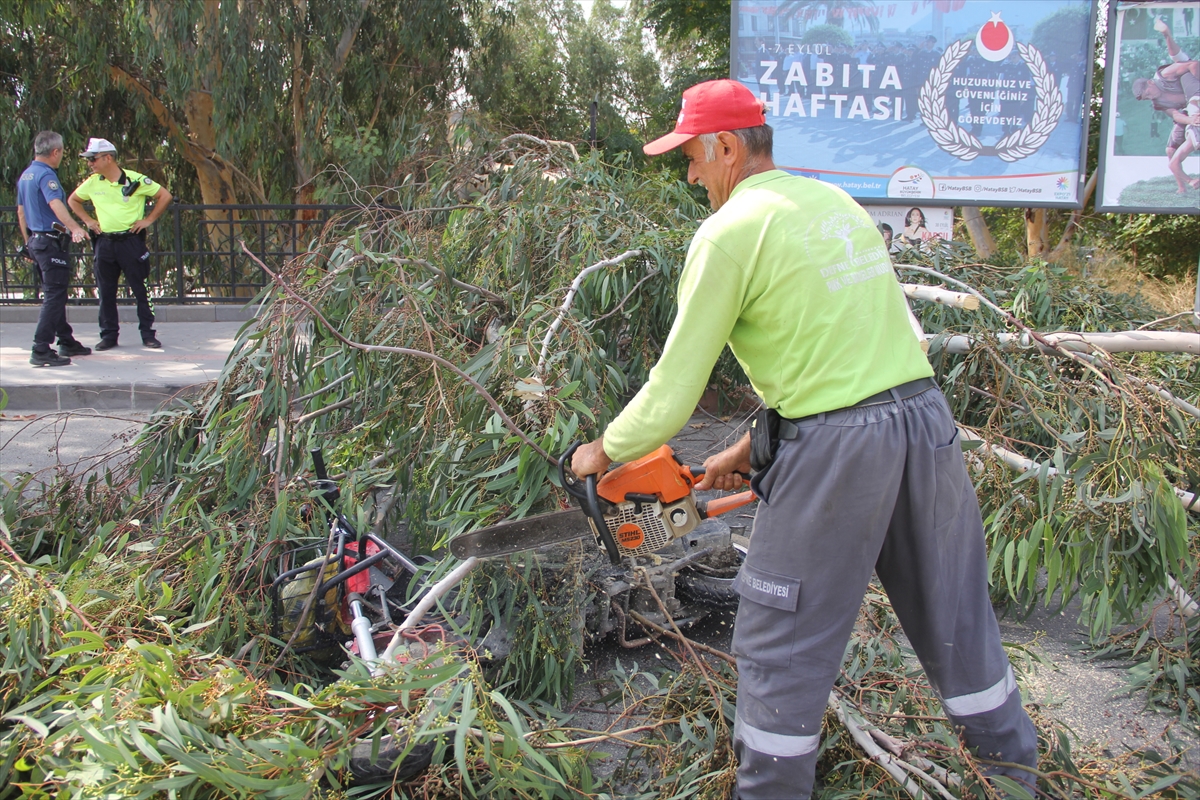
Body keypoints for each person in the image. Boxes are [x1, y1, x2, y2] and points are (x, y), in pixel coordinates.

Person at [569, 79, 1038, 800]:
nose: (691, 174)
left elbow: (669, 397)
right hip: (924, 424)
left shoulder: (728, 233)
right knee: (959, 628)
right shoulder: (835, 204)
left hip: (842, 450)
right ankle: (1016, 781)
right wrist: (757, 445)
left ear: (725, 146)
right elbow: (860, 354)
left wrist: (600, 453)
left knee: (779, 648)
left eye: (691, 156)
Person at [67, 138, 172, 349]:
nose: (90, 164)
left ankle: (148, 334)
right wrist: (87, 220)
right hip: (105, 243)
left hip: (131, 242)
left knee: (141, 289)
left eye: (93, 159)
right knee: (105, 292)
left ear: (108, 158)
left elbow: (165, 196)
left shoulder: (135, 179)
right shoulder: (93, 182)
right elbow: (73, 200)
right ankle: (108, 335)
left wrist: (148, 220)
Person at [15, 131, 92, 367]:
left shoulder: (26, 176)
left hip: (37, 241)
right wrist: (74, 227)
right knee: (55, 295)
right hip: (50, 242)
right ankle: (41, 348)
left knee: (54, 293)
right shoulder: (46, 176)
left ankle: (66, 340)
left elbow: (21, 212)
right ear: (55, 152)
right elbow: (56, 204)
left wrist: (28, 242)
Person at [1131, 17, 1200, 193]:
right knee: (1170, 150)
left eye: (1148, 94)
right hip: (1187, 110)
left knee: (1179, 58)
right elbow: (1175, 115)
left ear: (1150, 83)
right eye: (1146, 99)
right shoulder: (1158, 102)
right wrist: (1190, 120)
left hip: (1194, 91)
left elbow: (1192, 64)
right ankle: (1182, 185)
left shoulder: (1164, 75)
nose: (1150, 98)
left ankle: (1166, 33)